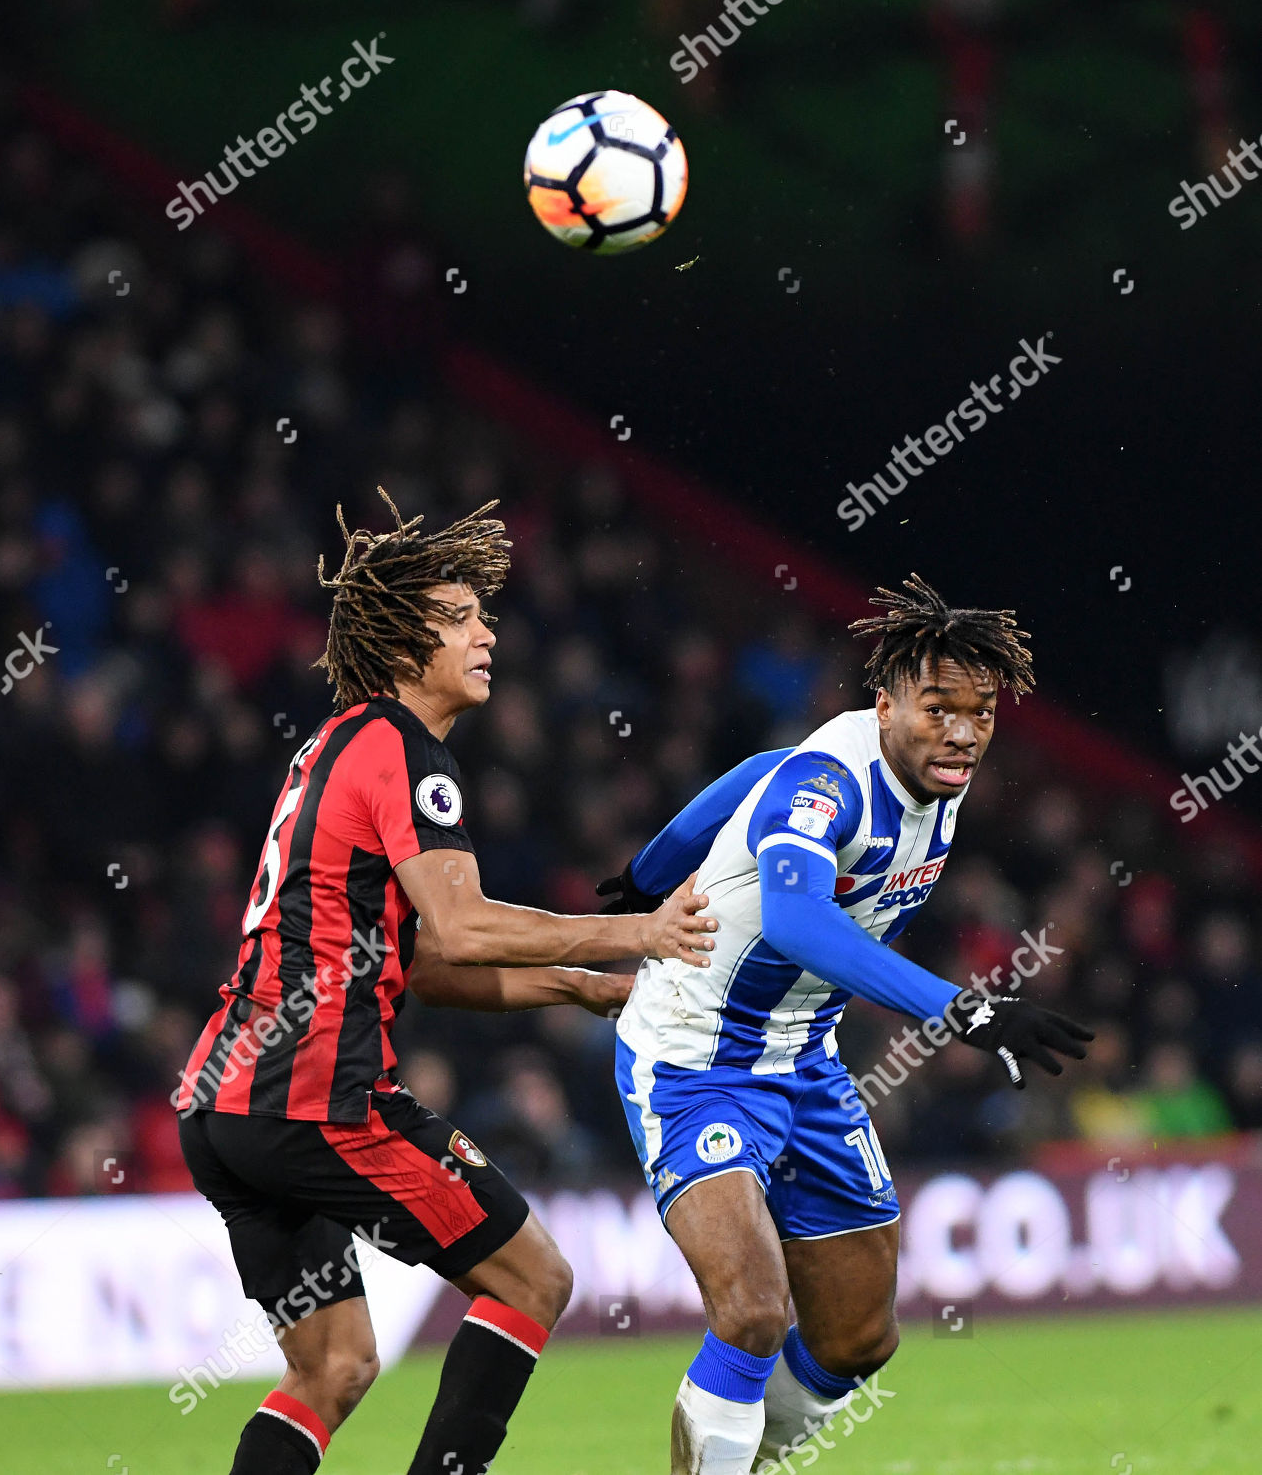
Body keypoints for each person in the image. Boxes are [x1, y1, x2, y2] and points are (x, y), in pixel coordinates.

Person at [174, 490, 716, 1475]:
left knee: (331, 1368)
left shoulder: (333, 748)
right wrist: (639, 928)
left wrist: (580, 986)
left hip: (225, 1103)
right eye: (459, 618)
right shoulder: (398, 749)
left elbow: (423, 962)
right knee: (533, 1279)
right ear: (401, 642)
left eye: (484, 615)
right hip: (316, 1100)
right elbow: (463, 924)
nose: (487, 634)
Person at [597, 574, 1093, 1474]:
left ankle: (738, 1462)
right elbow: (793, 920)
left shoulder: (936, 774)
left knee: (860, 1337)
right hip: (693, 1059)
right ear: (886, 703)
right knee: (752, 1311)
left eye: (981, 712)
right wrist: (961, 1010)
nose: (963, 731)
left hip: (806, 1064)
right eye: (938, 708)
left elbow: (755, 772)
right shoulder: (833, 782)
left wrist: (653, 864)